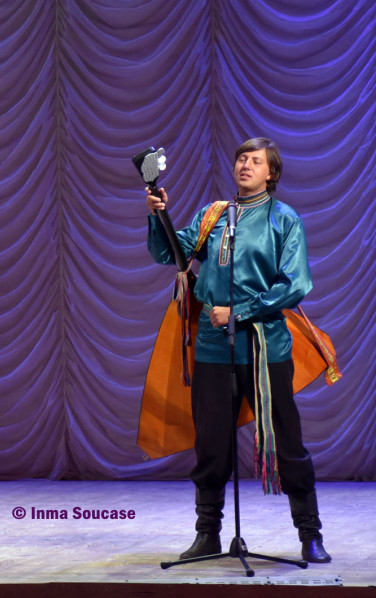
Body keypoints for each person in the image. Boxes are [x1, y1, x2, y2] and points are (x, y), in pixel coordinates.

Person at [145, 137, 330, 563]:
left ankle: (310, 534)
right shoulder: (213, 216)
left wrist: (241, 311)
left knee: (289, 444)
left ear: (272, 173)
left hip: (266, 347)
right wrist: (160, 216)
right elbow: (167, 254)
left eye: (255, 160)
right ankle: (207, 534)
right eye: (241, 158)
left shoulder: (284, 220)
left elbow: (296, 284)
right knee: (210, 445)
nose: (245, 165)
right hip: (213, 347)